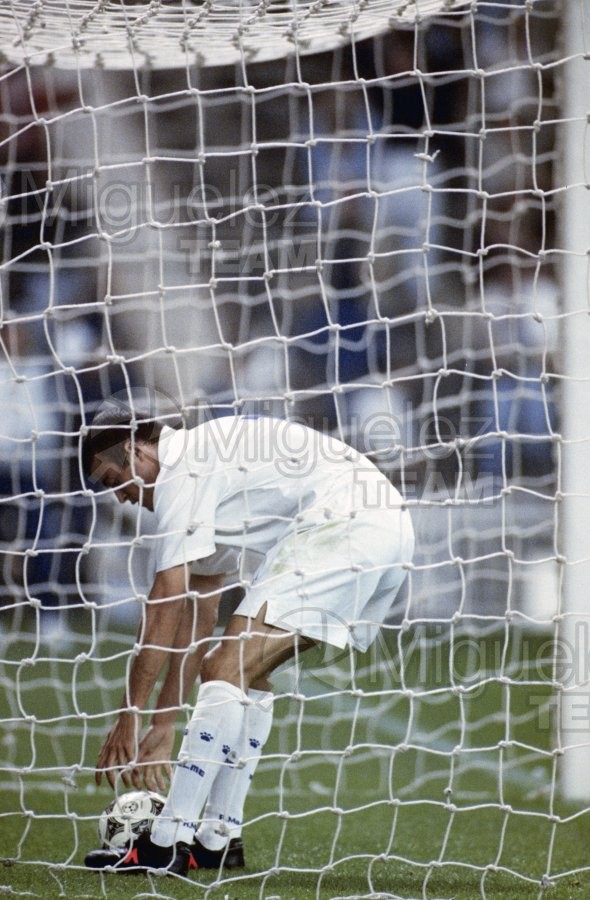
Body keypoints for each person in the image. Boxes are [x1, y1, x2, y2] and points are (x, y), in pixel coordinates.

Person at [82, 406, 414, 875]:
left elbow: (164, 606)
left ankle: (165, 844)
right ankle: (218, 840)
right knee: (245, 674)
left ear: (136, 452)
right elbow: (198, 612)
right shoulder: (205, 465)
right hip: (384, 526)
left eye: (113, 480)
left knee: (226, 667)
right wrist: (163, 721)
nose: (119, 496)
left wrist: (129, 717)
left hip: (346, 524)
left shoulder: (182, 473)